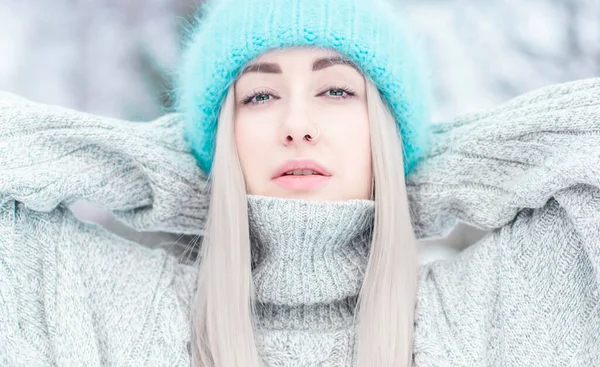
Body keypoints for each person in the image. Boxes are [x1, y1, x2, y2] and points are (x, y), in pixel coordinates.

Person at [1, 0, 599, 366]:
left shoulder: (496, 306)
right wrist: (178, 172)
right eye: (258, 96)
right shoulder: (114, 307)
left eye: (337, 90)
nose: (296, 126)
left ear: (384, 127)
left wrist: (420, 174)